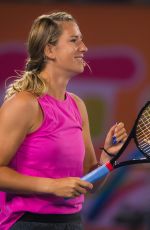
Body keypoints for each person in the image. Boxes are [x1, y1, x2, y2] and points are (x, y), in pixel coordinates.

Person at [0, 12, 127, 230]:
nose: (84, 47)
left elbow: (90, 184)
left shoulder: (77, 105)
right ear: (49, 50)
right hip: (26, 223)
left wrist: (108, 158)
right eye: (74, 40)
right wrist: (51, 186)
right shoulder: (24, 104)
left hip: (72, 223)